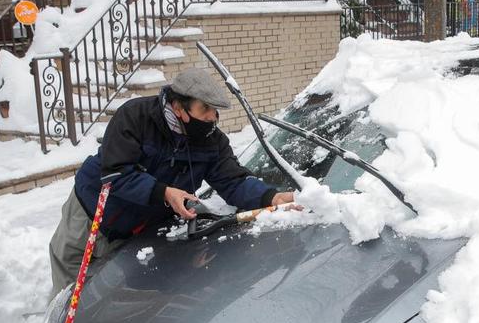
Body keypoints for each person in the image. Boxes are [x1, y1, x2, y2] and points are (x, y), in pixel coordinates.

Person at [48, 68, 295, 296]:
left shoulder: (212, 142)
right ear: (179, 107)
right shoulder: (136, 117)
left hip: (138, 226)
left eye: (215, 110)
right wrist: (164, 192)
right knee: (69, 288)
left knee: (107, 292)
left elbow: (233, 180)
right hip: (92, 212)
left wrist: (270, 197)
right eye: (205, 109)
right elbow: (116, 173)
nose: (212, 118)